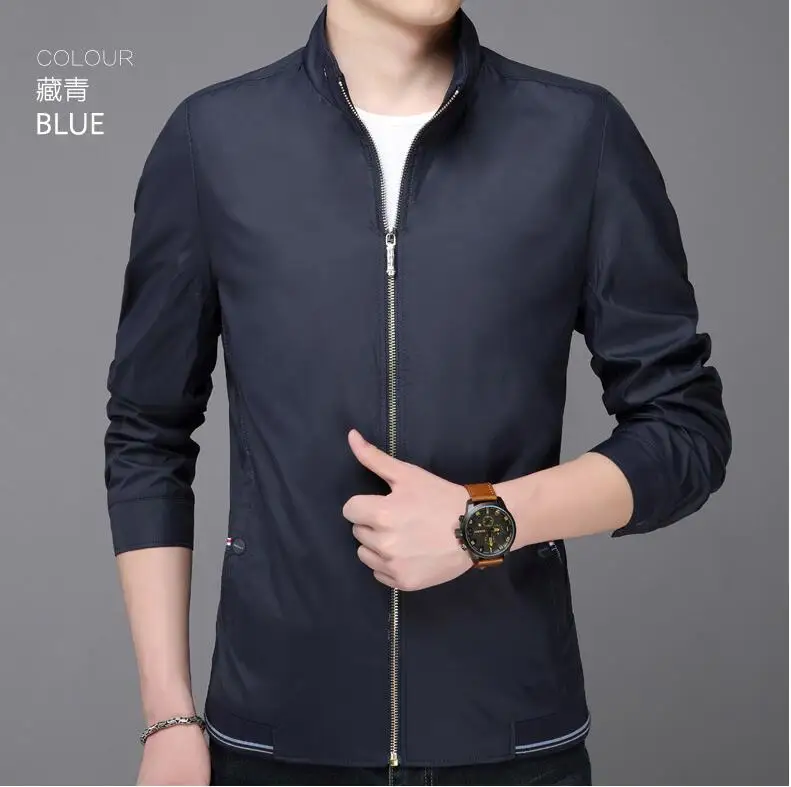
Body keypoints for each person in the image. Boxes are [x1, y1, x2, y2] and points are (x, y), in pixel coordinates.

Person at [103, 1, 732, 784]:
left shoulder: (578, 135)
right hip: (275, 747)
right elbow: (148, 433)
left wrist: (483, 521)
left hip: (511, 750)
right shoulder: (213, 140)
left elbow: (684, 429)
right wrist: (168, 716)